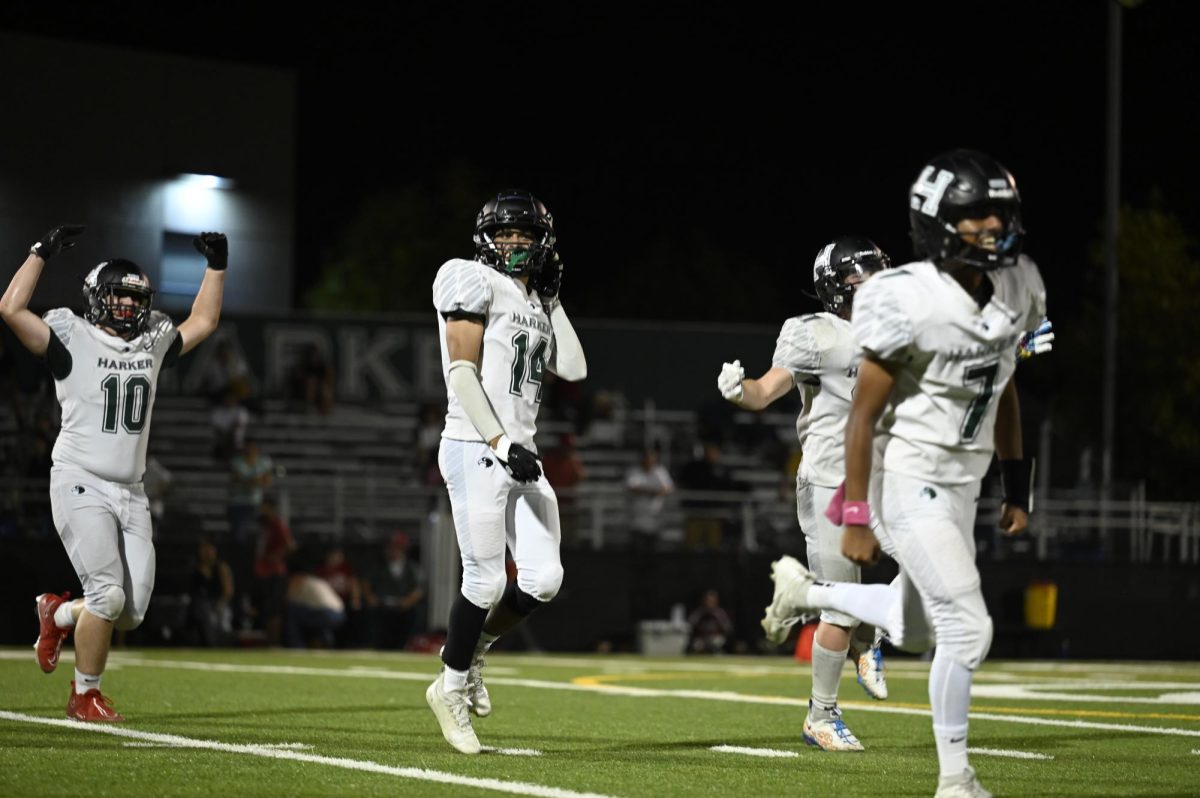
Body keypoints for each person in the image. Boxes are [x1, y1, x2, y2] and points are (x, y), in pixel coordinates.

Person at [767, 150, 1048, 798]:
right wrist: (858, 513)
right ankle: (956, 781)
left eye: (997, 215)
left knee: (917, 627)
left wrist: (1016, 484)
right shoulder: (903, 297)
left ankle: (806, 596)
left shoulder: (1021, 283)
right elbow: (862, 414)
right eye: (974, 215)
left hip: (963, 484)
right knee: (968, 627)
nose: (989, 227)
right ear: (937, 222)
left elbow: (1006, 389)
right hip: (906, 475)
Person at [2, 224, 228, 721]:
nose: (127, 307)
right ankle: (85, 695)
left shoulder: (152, 342)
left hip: (131, 491)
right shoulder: (69, 334)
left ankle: (58, 613)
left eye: (134, 299)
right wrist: (39, 253)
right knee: (107, 593)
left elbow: (205, 320)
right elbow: (11, 309)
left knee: (130, 612)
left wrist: (217, 266)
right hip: (79, 479)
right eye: (118, 298)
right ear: (96, 298)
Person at [425, 189, 587, 754]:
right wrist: (499, 439)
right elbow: (462, 373)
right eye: (506, 234)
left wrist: (554, 299)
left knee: (543, 579)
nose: (515, 244)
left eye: (526, 235)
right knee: (487, 579)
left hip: (521, 450)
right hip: (475, 443)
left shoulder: (533, 298)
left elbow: (573, 366)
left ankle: (471, 654)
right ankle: (448, 688)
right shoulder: (467, 276)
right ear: (485, 239)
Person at [718, 236, 892, 751]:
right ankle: (822, 714)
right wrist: (740, 390)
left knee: (932, 560)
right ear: (837, 288)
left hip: (883, 479)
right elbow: (767, 390)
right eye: (865, 278)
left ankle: (867, 634)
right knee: (839, 606)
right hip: (831, 481)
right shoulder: (815, 333)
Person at [362, 531, 425, 650]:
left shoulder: (412, 567)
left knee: (414, 614)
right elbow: (366, 582)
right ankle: (375, 646)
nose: (393, 550)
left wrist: (408, 601)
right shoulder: (378, 566)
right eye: (391, 547)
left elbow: (419, 588)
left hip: (403, 605)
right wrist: (371, 597)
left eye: (397, 547)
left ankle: (406, 645)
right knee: (373, 615)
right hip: (382, 604)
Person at [186, 536, 235, 646]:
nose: (206, 552)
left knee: (214, 616)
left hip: (218, 604)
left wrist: (219, 606)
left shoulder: (221, 568)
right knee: (202, 610)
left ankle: (218, 643)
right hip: (200, 606)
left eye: (209, 549)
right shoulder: (196, 568)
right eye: (203, 549)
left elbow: (228, 591)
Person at [686, 588, 733, 654]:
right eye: (708, 601)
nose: (710, 603)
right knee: (697, 646)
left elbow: (727, 628)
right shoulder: (699, 612)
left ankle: (718, 654)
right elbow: (689, 625)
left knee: (717, 642)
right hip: (702, 639)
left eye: (712, 601)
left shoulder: (719, 613)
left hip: (714, 638)